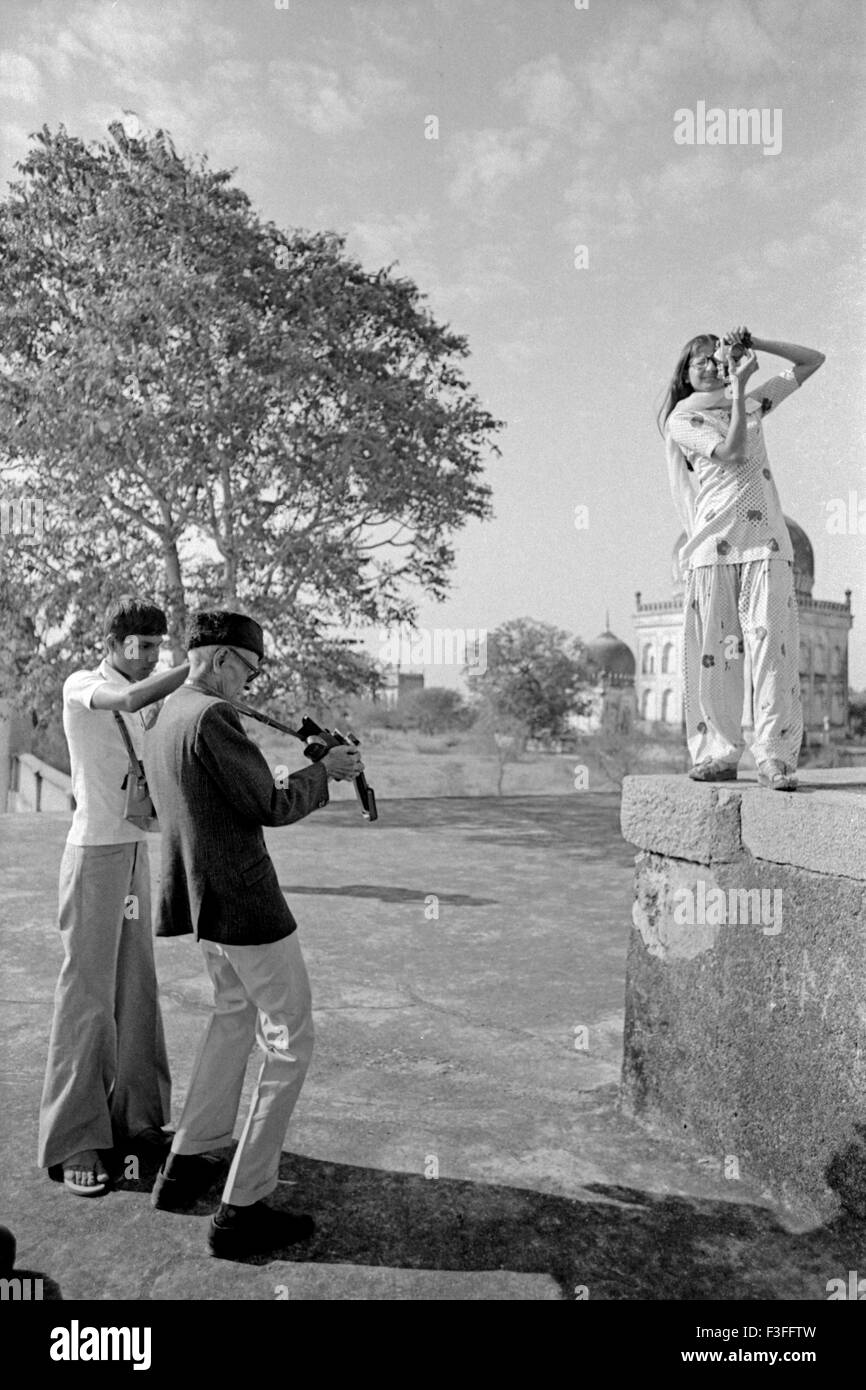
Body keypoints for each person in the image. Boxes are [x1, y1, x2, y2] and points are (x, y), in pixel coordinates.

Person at [145, 610, 363, 1259]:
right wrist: (329, 772)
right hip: (244, 904)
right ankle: (241, 1211)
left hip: (203, 903)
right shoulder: (212, 716)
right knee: (291, 1038)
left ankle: (187, 1162)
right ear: (217, 658)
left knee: (232, 1019)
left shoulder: (164, 713)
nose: (250, 681)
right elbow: (269, 804)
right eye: (248, 667)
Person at [37, 596, 190, 1195]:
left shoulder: (143, 698)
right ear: (117, 641)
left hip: (131, 852)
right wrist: (196, 669)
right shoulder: (85, 685)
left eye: (159, 646)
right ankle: (75, 1139)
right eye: (145, 646)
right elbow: (128, 699)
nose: (154, 657)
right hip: (93, 856)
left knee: (136, 987)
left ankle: (137, 1120)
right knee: (87, 997)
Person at [660, 329, 825, 790]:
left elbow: (813, 359)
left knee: (774, 650)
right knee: (716, 656)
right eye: (701, 362)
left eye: (717, 358)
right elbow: (733, 452)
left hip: (766, 545)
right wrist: (739, 390)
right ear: (686, 374)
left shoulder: (753, 403)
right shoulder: (681, 419)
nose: (711, 367)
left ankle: (773, 757)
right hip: (713, 549)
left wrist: (760, 343)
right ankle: (721, 751)